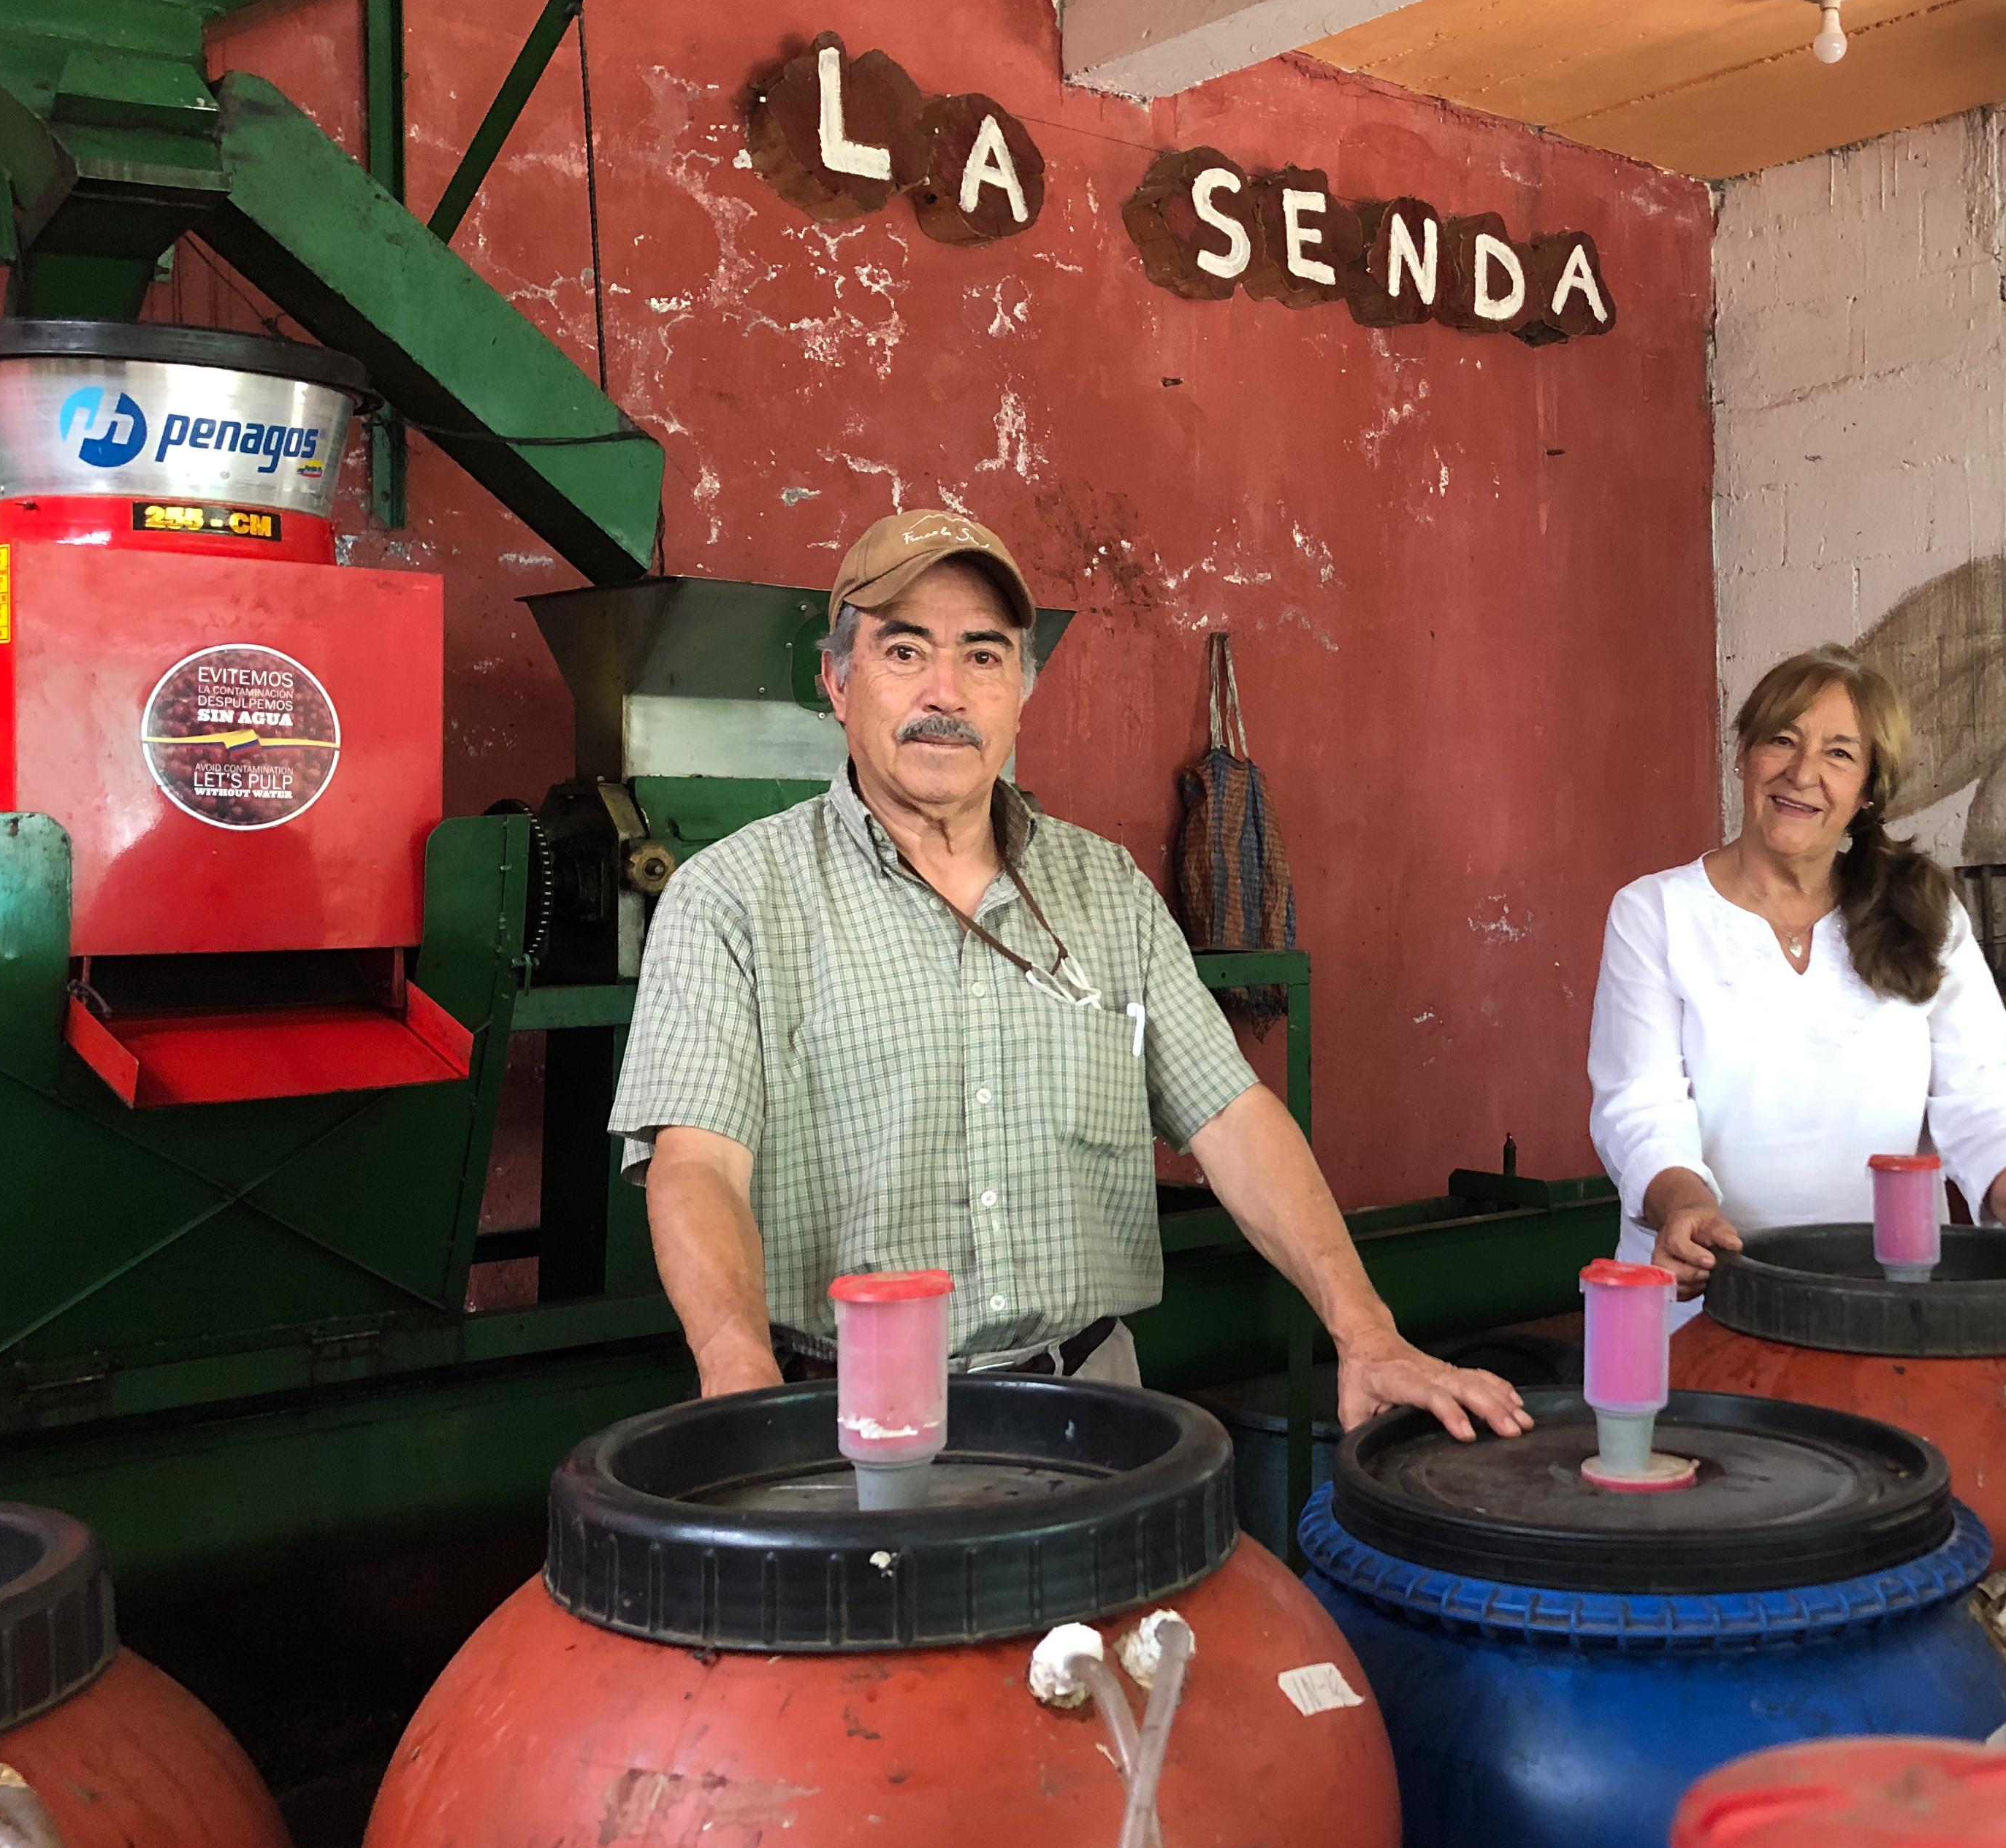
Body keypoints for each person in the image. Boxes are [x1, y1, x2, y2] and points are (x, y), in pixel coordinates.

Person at [611, 505, 1529, 1440]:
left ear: (1021, 691)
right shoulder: (732, 896)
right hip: (845, 1420)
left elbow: (1232, 1117)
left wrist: (1366, 1331)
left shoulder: (1107, 890)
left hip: (1095, 1408)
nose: (946, 693)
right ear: (837, 682)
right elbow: (699, 1167)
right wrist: (738, 1376)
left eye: (982, 655)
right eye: (903, 652)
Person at [1588, 644, 2006, 1304]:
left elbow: (1983, 1087)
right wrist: (1683, 1207)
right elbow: (1639, 1102)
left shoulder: (1921, 911)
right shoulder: (1656, 911)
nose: (1802, 774)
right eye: (1782, 741)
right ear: (1743, 755)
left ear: (1867, 790)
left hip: (1889, 1288)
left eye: (1839, 754)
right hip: (1708, 1286)